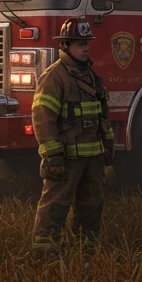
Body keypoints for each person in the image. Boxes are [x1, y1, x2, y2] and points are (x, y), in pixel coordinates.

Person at [30, 18, 115, 251]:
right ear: (65, 45)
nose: (85, 48)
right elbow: (42, 117)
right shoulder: (55, 76)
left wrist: (107, 143)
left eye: (87, 43)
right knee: (56, 205)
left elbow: (100, 114)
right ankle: (44, 252)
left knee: (92, 204)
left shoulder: (89, 75)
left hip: (93, 156)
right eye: (79, 44)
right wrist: (52, 154)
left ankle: (85, 249)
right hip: (66, 157)